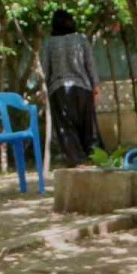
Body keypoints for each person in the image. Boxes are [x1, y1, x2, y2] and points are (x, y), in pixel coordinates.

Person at [40, 9, 102, 165]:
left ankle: (77, 162)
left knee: (66, 128)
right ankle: (95, 159)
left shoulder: (49, 44)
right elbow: (91, 64)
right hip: (83, 88)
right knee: (89, 127)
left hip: (59, 90)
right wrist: (95, 86)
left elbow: (46, 70)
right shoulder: (81, 39)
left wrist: (44, 91)